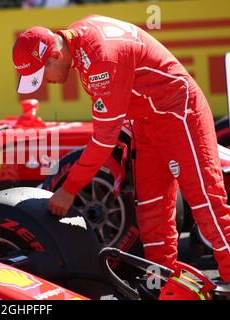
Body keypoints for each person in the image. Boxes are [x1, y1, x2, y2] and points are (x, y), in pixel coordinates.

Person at [12, 15, 230, 281]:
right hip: (145, 121)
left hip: (178, 113)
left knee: (206, 202)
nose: (45, 83)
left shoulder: (101, 59)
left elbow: (103, 139)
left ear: (56, 55)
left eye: (41, 74)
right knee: (152, 211)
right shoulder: (79, 39)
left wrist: (68, 190)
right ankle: (160, 284)